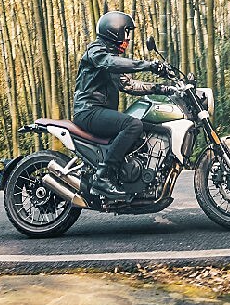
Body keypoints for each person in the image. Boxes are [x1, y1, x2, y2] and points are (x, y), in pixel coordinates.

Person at [73, 10, 174, 198]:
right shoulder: (96, 51)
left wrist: (160, 88)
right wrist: (148, 65)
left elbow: (128, 85)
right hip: (88, 111)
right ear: (114, 30)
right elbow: (109, 63)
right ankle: (103, 176)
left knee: (141, 125)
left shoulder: (111, 57)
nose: (127, 38)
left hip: (99, 112)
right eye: (125, 32)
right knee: (132, 125)